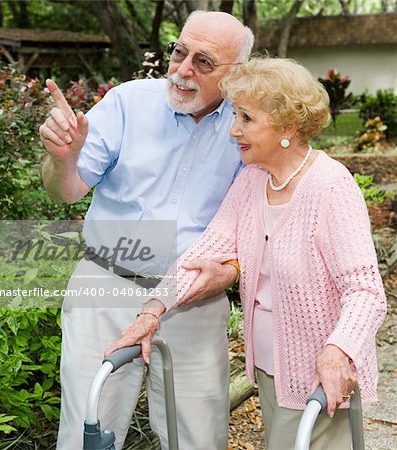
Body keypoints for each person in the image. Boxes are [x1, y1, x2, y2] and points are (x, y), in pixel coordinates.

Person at [107, 57, 387, 450]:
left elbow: (366, 292)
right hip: (272, 370)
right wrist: (152, 311)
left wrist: (337, 352)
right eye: (235, 116)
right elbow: (204, 254)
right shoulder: (254, 180)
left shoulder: (330, 187)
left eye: (247, 119)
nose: (233, 130)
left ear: (288, 125)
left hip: (320, 376)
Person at [39, 10, 254, 450]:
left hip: (193, 299)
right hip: (107, 284)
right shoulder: (127, 102)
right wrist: (63, 157)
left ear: (237, 74)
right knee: (88, 430)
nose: (183, 70)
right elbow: (67, 192)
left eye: (204, 62)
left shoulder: (247, 125)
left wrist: (230, 271)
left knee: (197, 436)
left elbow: (254, 222)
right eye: (179, 52)